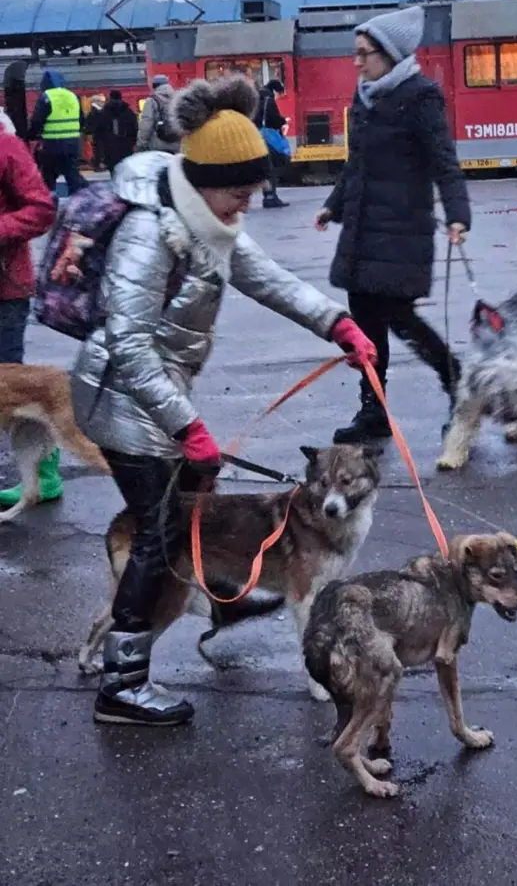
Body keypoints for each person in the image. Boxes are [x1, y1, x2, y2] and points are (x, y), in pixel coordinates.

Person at [70, 75, 376, 727]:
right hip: (121, 400)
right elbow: (128, 346)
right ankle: (121, 685)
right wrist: (189, 428)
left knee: (184, 517)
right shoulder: (151, 234)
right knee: (157, 533)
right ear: (205, 180)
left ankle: (224, 595)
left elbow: (267, 278)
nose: (245, 206)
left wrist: (335, 324)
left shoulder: (208, 217)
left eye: (252, 193)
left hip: (157, 399)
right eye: (238, 193)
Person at [315, 5, 471, 444]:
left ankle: (456, 381)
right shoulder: (364, 98)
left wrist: (458, 215)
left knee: (401, 318)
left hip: (403, 233)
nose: (357, 62)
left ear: (391, 54)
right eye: (356, 53)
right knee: (364, 330)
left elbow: (444, 162)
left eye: (365, 54)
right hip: (363, 232)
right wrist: (334, 205)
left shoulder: (420, 96)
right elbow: (357, 164)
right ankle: (374, 410)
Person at [0, 116, 59, 508]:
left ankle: (43, 473)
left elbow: (41, 208)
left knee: (10, 390)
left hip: (4, 289)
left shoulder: (6, 147)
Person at [28, 69, 86, 196]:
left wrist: (32, 135)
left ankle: (46, 207)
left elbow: (37, 121)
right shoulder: (73, 96)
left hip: (52, 146)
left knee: (47, 179)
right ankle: (78, 206)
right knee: (73, 177)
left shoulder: (46, 97)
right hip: (73, 145)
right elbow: (82, 120)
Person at [254, 79, 289, 209]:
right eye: (279, 93)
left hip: (255, 135)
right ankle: (270, 197)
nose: (279, 96)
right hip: (266, 136)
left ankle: (269, 196)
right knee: (273, 166)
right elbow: (271, 118)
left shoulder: (257, 96)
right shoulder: (268, 99)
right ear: (275, 90)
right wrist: (282, 121)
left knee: (268, 166)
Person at [94, 90, 138, 176]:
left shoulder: (104, 112)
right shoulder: (128, 111)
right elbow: (135, 129)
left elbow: (98, 132)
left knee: (113, 171)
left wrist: (99, 153)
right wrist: (133, 142)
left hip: (110, 147)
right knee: (126, 171)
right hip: (126, 146)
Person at [136, 74, 181, 154]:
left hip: (158, 144)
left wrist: (141, 143)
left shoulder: (152, 100)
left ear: (154, 86)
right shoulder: (177, 98)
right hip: (176, 143)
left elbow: (146, 124)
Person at [83, 95, 106, 171]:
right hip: (98, 134)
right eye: (102, 102)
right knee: (98, 150)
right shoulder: (96, 112)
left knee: (98, 150)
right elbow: (94, 124)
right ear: (96, 102)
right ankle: (97, 165)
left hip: (97, 134)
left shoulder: (94, 112)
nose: (103, 103)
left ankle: (97, 164)